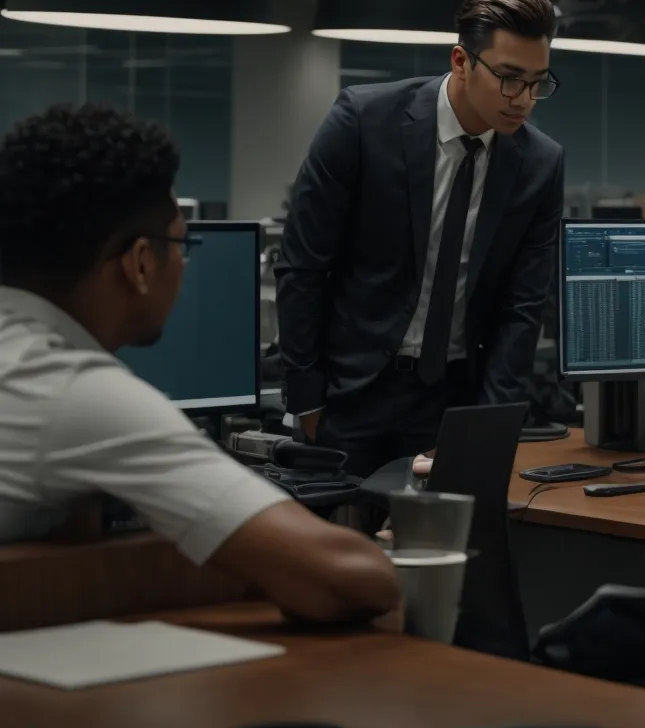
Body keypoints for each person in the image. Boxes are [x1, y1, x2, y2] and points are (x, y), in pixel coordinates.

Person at [0, 104, 400, 623]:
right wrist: (386, 549)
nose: (185, 264)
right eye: (181, 244)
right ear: (140, 263)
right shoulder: (69, 392)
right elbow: (352, 580)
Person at [276, 0, 566, 478]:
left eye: (539, 82)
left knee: (444, 550)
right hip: (348, 396)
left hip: (452, 403)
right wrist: (307, 401)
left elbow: (521, 310)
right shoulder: (363, 122)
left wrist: (488, 426)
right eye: (510, 78)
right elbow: (301, 266)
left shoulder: (540, 163)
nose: (524, 99)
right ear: (460, 61)